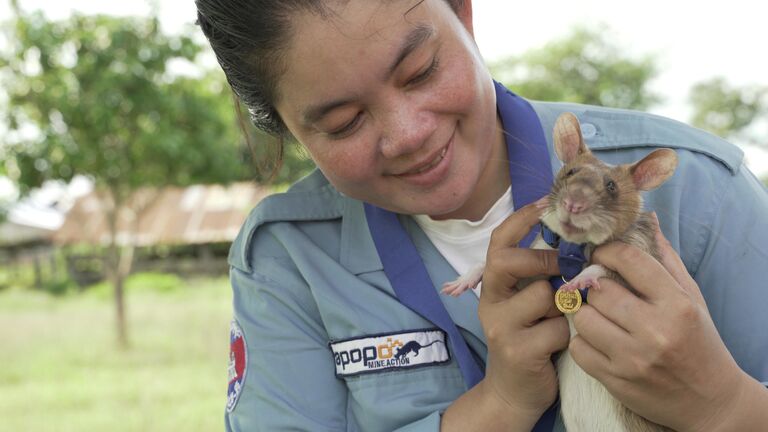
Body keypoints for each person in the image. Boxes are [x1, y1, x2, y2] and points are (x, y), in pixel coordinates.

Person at [194, 1, 768, 430]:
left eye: (419, 70)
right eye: (344, 122)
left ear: (463, 13)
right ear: (284, 128)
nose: (409, 135)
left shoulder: (697, 191)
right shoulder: (287, 255)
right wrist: (501, 404)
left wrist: (725, 405)